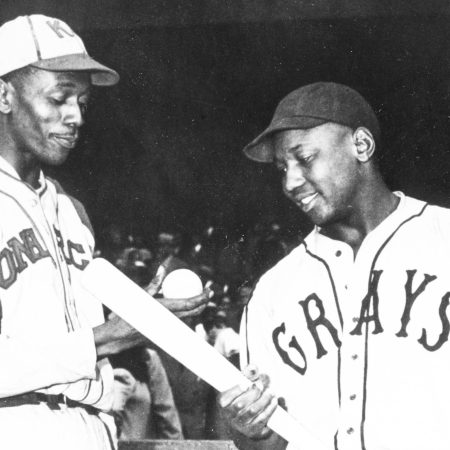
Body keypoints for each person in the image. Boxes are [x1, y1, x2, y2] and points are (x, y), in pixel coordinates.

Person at [0, 14, 210, 450]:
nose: (75, 116)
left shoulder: (71, 212)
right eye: (59, 98)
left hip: (95, 425)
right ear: (5, 95)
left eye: (83, 102)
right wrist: (110, 336)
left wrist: (144, 316)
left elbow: (91, 337)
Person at [219, 82, 450, 450]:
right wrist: (249, 428)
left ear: (361, 145)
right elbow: (263, 445)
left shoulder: (443, 240)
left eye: (305, 159)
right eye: (283, 168)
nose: (291, 182)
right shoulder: (274, 290)